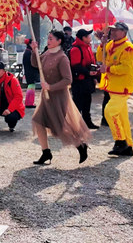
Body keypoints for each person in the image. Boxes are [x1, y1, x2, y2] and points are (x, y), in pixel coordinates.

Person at [31, 30, 90, 165]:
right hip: (46, 96)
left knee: (60, 128)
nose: (49, 40)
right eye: (48, 38)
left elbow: (68, 80)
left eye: (51, 38)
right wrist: (34, 51)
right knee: (38, 121)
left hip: (58, 96)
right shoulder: (46, 53)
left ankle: (80, 145)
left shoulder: (62, 57)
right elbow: (36, 64)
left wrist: (51, 87)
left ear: (59, 41)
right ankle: (46, 152)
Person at [100, 22, 133, 157]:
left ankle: (120, 141)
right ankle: (128, 146)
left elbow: (125, 68)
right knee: (122, 118)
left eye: (117, 30)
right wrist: (102, 45)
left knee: (109, 112)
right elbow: (100, 58)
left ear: (124, 32)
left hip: (122, 87)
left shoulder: (128, 48)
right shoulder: (110, 44)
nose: (113, 32)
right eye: (112, 30)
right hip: (112, 86)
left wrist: (108, 69)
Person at [70, 28, 100, 129]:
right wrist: (88, 72)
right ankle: (75, 124)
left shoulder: (87, 47)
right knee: (78, 103)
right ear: (83, 38)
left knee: (87, 102)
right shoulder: (76, 49)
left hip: (87, 79)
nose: (90, 37)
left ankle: (87, 122)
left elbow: (91, 62)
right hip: (79, 81)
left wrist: (94, 75)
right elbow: (75, 65)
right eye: (88, 36)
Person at [22, 38, 40, 108]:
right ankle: (29, 103)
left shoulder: (28, 51)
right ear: (30, 44)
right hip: (30, 72)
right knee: (31, 87)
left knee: (31, 87)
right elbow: (33, 63)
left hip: (29, 71)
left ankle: (29, 102)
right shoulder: (29, 53)